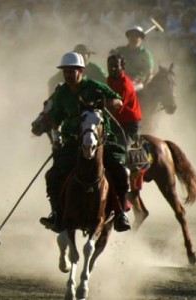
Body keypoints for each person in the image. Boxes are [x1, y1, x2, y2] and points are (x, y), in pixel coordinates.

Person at [39, 52, 131, 233]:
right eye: (65, 72)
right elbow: (55, 120)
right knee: (53, 175)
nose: (68, 76)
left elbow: (118, 102)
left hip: (100, 142)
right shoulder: (61, 93)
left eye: (72, 72)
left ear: (81, 71)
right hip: (73, 143)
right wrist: (56, 139)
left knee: (120, 171)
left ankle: (120, 213)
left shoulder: (94, 86)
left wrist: (105, 102)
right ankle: (56, 213)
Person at [106, 54, 142, 147]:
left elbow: (115, 108)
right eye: (110, 65)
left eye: (116, 66)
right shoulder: (110, 80)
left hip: (129, 125)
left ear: (122, 67)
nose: (113, 68)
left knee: (121, 151)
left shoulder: (124, 85)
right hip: (116, 122)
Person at [113, 26, 155, 90]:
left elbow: (150, 74)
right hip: (120, 80)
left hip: (137, 83)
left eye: (137, 36)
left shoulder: (145, 54)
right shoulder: (120, 50)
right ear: (128, 37)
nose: (134, 38)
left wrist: (144, 84)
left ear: (141, 39)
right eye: (132, 36)